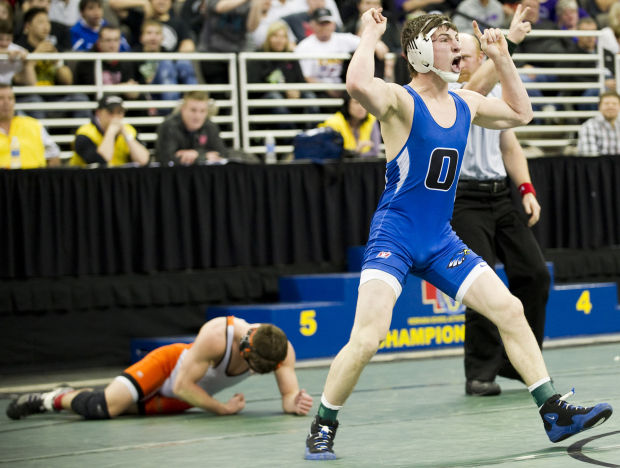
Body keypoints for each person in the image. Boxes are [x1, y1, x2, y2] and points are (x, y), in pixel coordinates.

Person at [303, 8, 613, 460]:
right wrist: (368, 36)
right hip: (396, 235)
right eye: (446, 39)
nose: (456, 46)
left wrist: (502, 56)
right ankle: (323, 424)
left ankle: (553, 411)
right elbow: (356, 85)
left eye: (454, 38)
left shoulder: (465, 101)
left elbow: (520, 113)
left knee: (509, 307)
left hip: (440, 238)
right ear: (421, 51)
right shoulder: (400, 100)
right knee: (368, 337)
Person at [449, 25, 550, 396]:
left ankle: (519, 361)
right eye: (453, 54)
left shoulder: (494, 93)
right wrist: (504, 46)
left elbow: (509, 145)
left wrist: (525, 189)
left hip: (499, 197)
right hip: (464, 201)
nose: (457, 60)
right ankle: (480, 371)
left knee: (535, 274)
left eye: (465, 55)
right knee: (482, 281)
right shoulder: (450, 93)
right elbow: (471, 90)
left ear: (479, 58)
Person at [6, 316, 314, 419]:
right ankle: (50, 399)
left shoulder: (280, 350)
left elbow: (287, 395)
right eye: (254, 368)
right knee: (106, 407)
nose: (255, 374)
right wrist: (221, 409)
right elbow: (181, 384)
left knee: (106, 408)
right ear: (244, 348)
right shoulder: (216, 335)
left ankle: (73, 395)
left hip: (187, 397)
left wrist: (295, 403)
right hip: (171, 371)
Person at [70, 95, 150, 167]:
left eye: (119, 112)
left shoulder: (129, 130)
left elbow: (144, 161)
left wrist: (126, 135)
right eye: (110, 112)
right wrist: (111, 132)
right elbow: (101, 162)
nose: (115, 117)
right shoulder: (84, 133)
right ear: (98, 113)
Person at [155, 90, 227, 165]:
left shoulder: (210, 126)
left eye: (202, 111)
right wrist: (204, 156)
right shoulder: (168, 126)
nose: (197, 116)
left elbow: (222, 154)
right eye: (193, 110)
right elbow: (165, 157)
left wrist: (197, 154)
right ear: (183, 109)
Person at [318, 93, 382, 157]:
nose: (361, 107)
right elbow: (332, 154)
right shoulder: (333, 123)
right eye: (356, 102)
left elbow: (375, 152)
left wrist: (356, 155)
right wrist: (355, 153)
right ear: (347, 104)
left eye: (364, 103)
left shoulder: (371, 120)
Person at [576, 90, 620, 156]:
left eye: (614, 103)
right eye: (606, 103)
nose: (611, 106)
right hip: (598, 166)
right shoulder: (589, 126)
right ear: (599, 107)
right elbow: (591, 159)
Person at [0, 19, 36, 86]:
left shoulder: (15, 49)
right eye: (1, 39)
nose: (4, 43)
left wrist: (23, 56)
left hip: (13, 85)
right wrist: (6, 52)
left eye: (8, 39)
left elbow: (25, 52)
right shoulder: (11, 50)